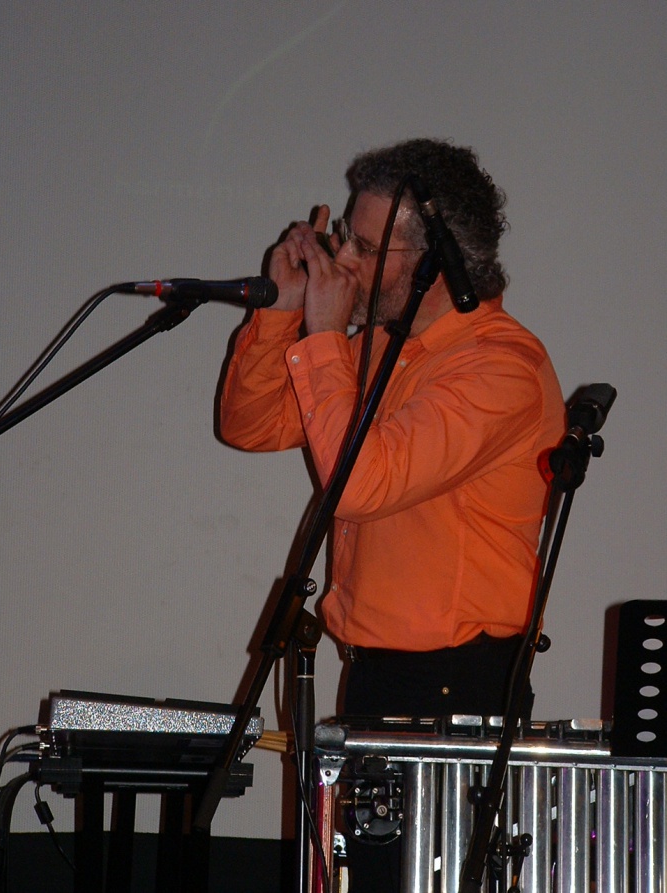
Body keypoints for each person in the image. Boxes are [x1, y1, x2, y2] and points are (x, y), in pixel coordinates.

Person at [220, 138, 565, 890]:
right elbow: (248, 424)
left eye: (369, 248)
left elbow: (360, 484)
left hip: (456, 688)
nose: (347, 260)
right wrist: (281, 315)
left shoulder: (500, 366)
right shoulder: (382, 350)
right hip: (379, 677)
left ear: (436, 260)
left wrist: (323, 335)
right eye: (350, 236)